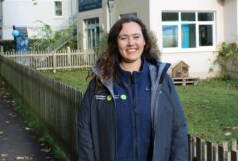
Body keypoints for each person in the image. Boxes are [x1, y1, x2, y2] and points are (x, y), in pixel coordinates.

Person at [78, 16, 188, 161]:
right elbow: (84, 130)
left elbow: (178, 129)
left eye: (136, 37)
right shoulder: (100, 83)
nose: (131, 43)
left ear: (145, 41)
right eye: (123, 38)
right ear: (116, 43)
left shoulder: (162, 81)